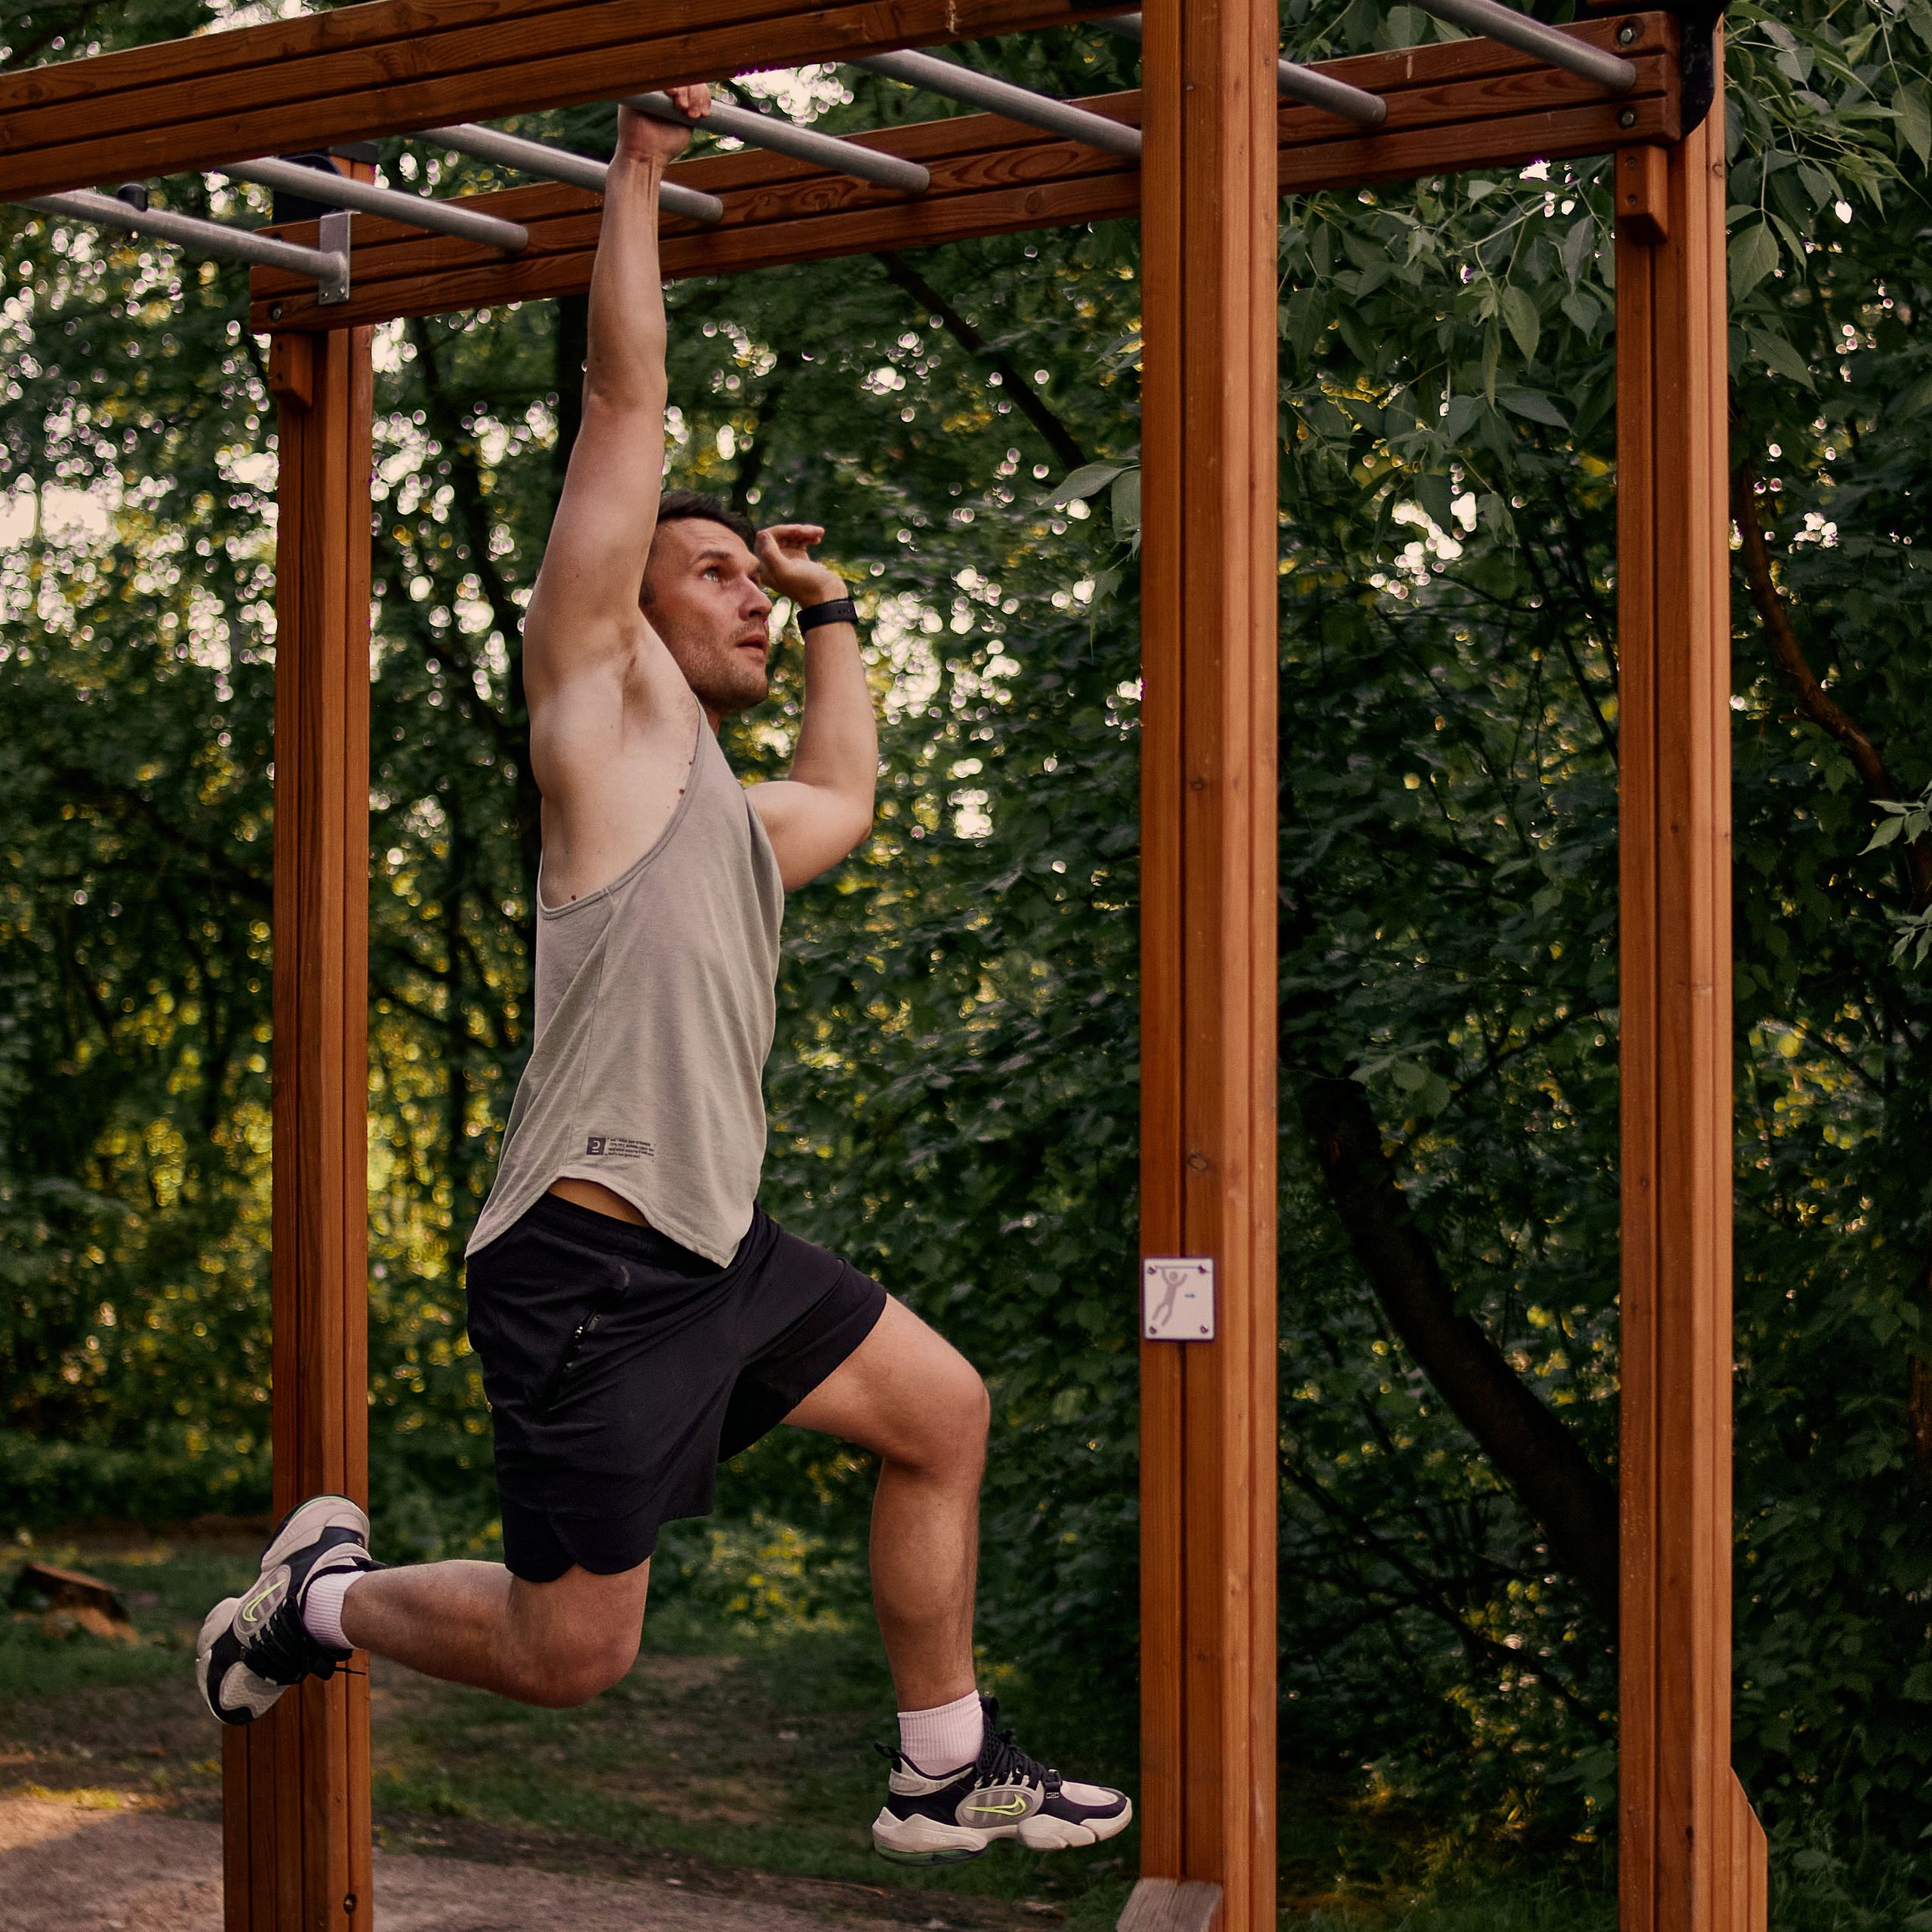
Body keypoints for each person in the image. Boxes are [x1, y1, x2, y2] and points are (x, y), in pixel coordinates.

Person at [195, 85, 1130, 1869]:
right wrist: (634, 168)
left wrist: (834, 605)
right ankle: (316, 1600)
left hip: (714, 1250)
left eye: (753, 588)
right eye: (716, 575)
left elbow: (846, 793)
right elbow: (626, 404)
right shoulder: (598, 717)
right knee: (575, 1657)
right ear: (630, 605)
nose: (746, 601)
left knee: (941, 1411)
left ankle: (940, 1760)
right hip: (590, 1267)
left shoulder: (722, 810)